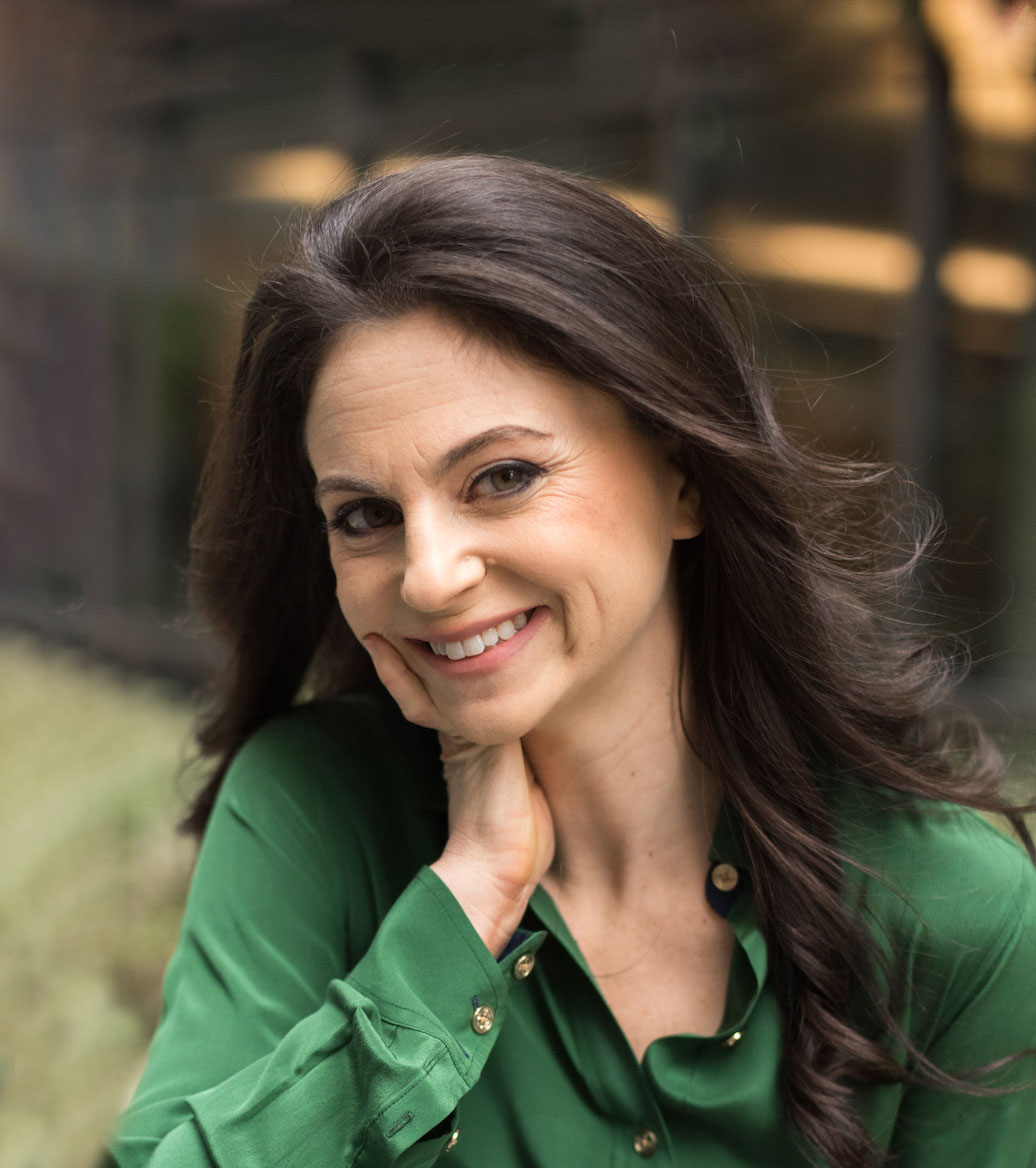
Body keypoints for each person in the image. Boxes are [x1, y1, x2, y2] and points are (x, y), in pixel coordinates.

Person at [106, 155, 1036, 1168]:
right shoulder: (311, 807)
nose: (429, 575)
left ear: (681, 474)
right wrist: (462, 909)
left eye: (501, 477)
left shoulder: (954, 911)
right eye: (365, 515)